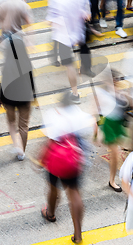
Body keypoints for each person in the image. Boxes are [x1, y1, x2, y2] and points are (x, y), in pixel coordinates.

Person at [41, 92, 97, 244]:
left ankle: (50, 213)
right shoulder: (80, 115)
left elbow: (50, 139)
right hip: (74, 159)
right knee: (74, 193)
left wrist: (41, 158)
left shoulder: (52, 114)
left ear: (61, 103)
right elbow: (94, 128)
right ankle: (78, 235)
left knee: (53, 188)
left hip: (56, 159)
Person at [0, 0, 34, 162]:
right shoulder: (26, 61)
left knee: (11, 123)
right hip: (26, 95)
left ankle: (17, 147)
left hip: (10, 95)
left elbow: (3, 78)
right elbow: (31, 77)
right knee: (24, 125)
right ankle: (23, 152)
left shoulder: (7, 62)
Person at [47, 0, 92, 104]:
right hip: (79, 33)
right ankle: (86, 69)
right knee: (82, 54)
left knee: (69, 66)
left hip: (63, 37)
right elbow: (87, 16)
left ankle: (75, 93)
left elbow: (51, 21)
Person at [94, 71, 129, 192]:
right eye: (113, 81)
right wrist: (97, 132)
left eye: (116, 81)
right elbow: (96, 112)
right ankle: (112, 181)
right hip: (108, 124)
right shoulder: (100, 93)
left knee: (121, 148)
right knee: (115, 153)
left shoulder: (118, 93)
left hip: (117, 124)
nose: (116, 83)